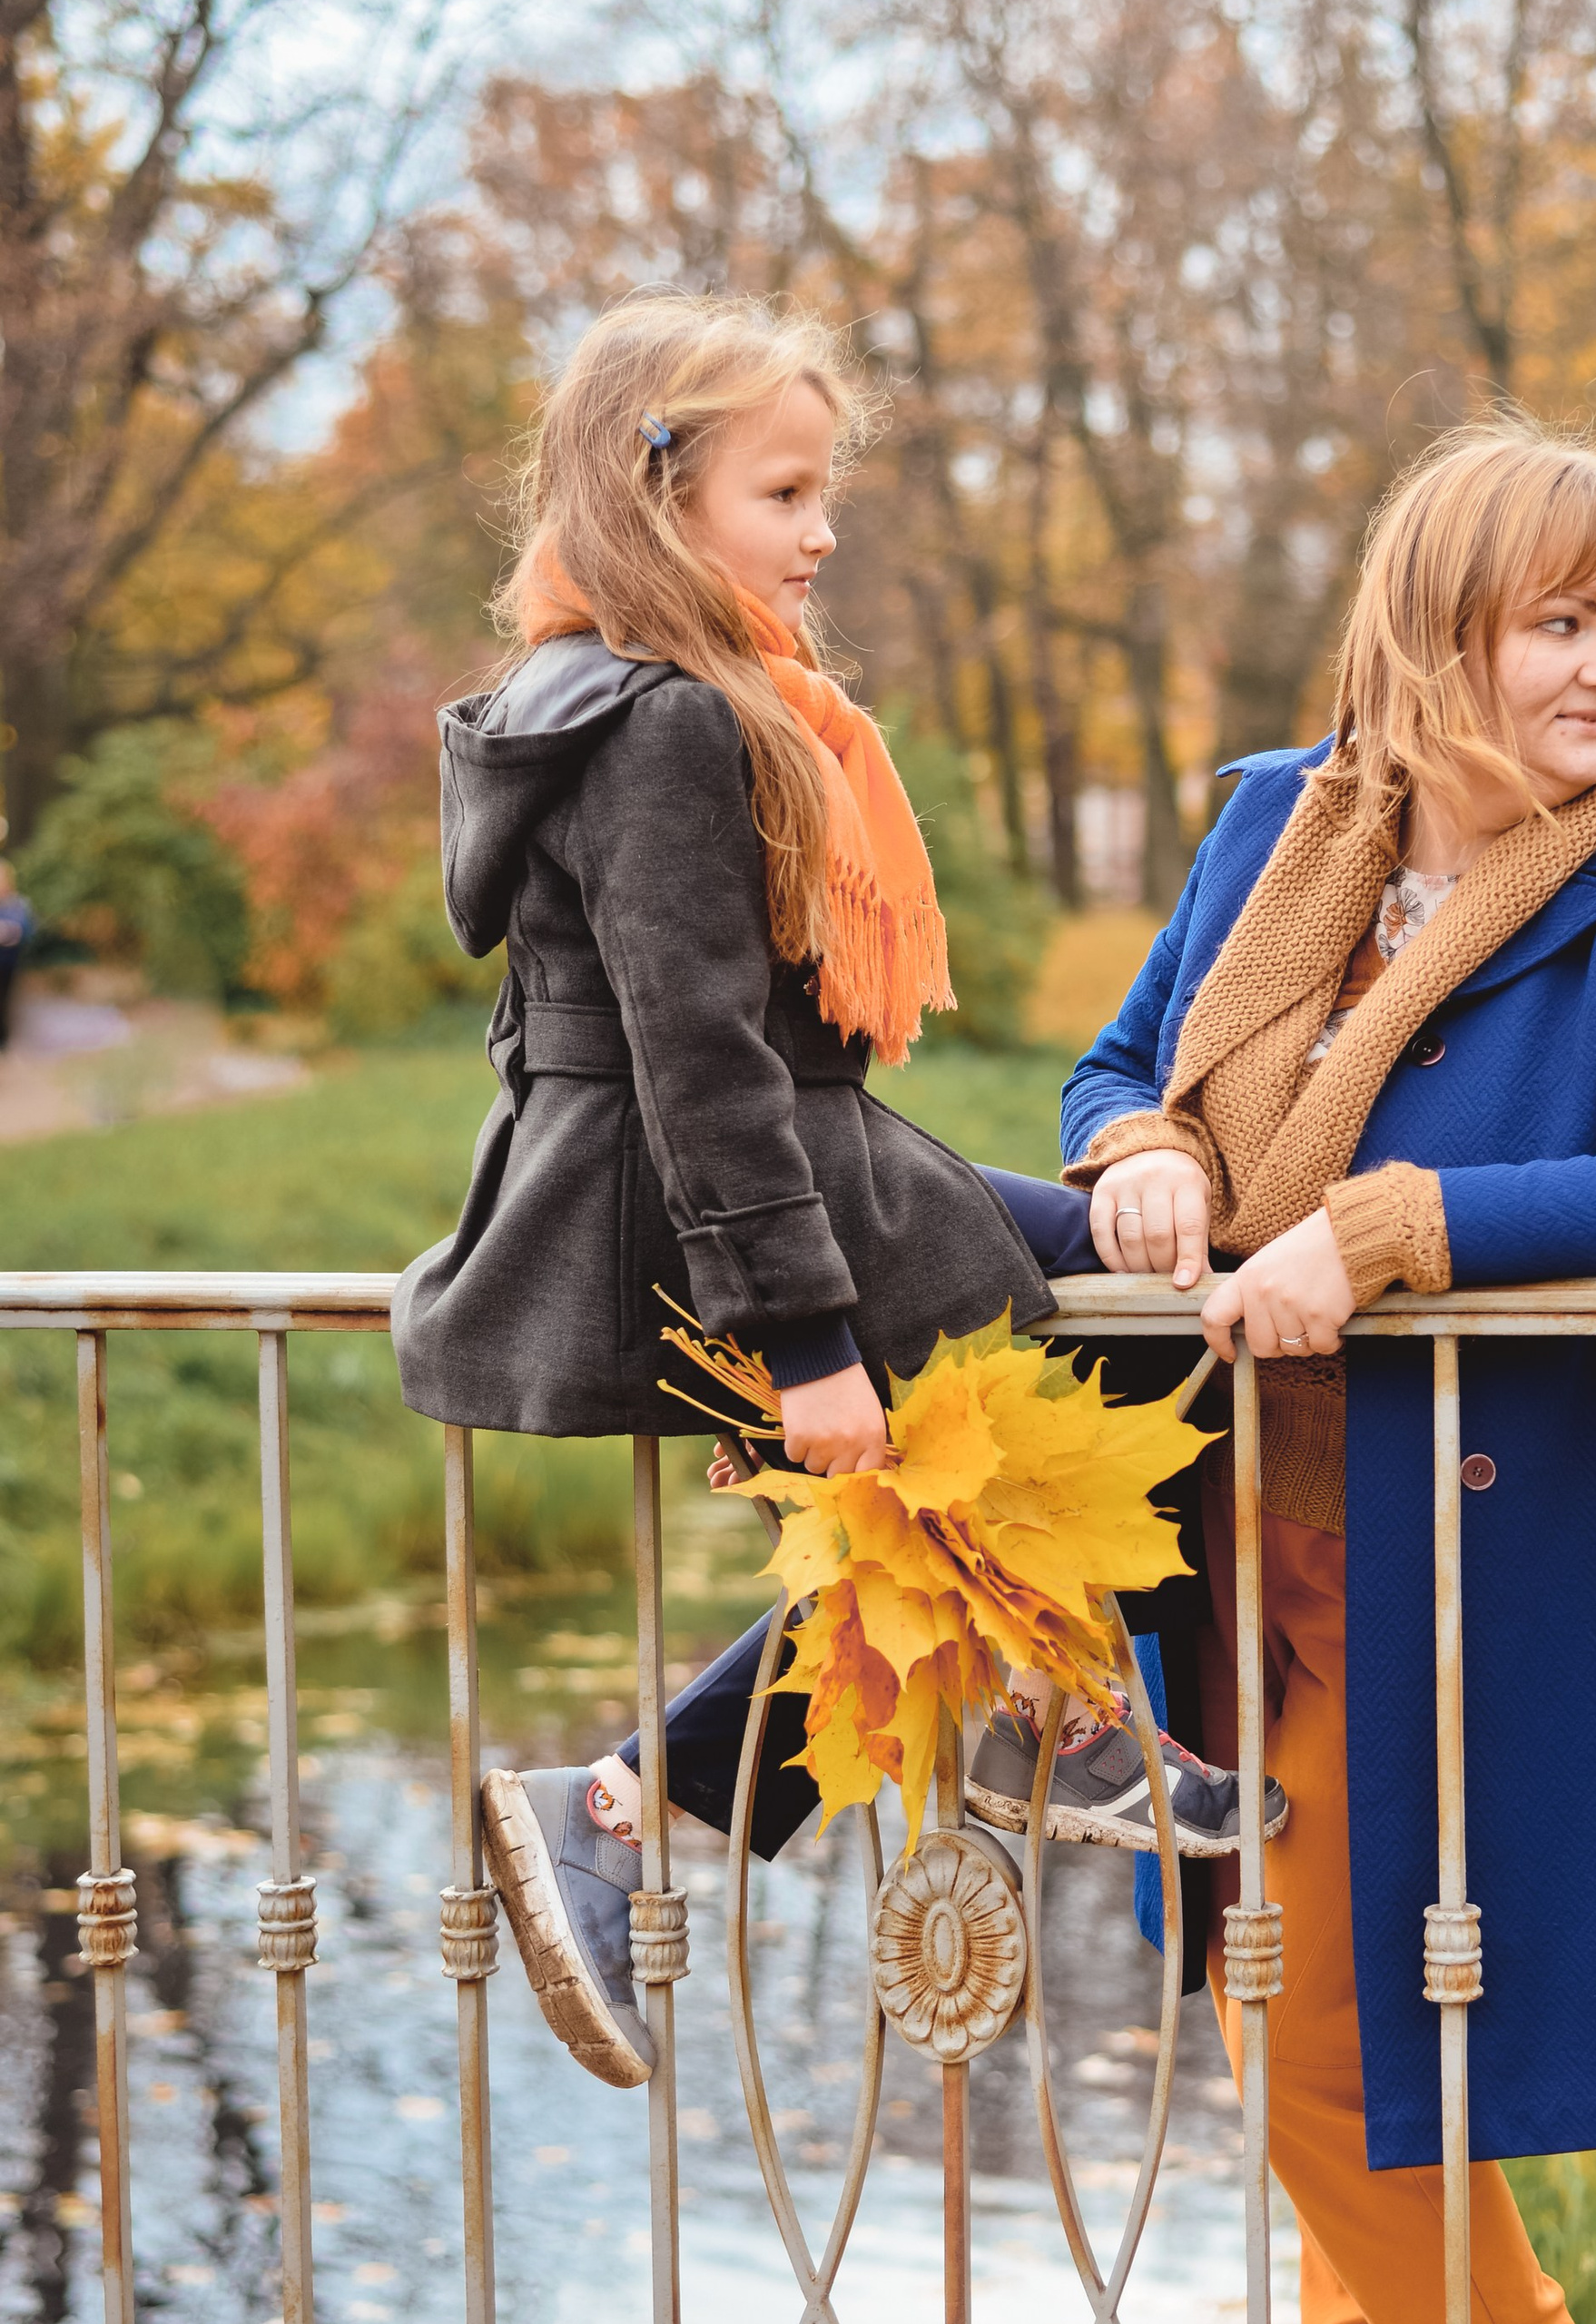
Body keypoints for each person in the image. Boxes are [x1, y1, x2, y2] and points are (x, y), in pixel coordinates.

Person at [391, 290, 1277, 2093]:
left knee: (1158, 1321)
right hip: (726, 1191)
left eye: (823, 494)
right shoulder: (659, 727)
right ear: (653, 501)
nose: (820, 532)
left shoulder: (659, 701)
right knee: (1025, 1410)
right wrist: (798, 1335)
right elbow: (693, 1049)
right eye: (782, 495)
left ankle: (1034, 1712)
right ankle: (666, 1782)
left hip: (800, 1157)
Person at [1062, 415, 1596, 2321]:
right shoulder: (1273, 822)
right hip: (1228, 1547)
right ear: (1436, 630)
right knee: (1332, 2052)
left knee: (1318, 2048)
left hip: (1460, 1565)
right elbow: (1117, 1063)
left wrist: (1380, 1233)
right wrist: (1140, 1154)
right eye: (1560, 622)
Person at [0, 859, 34, 1048]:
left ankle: (3, 1041)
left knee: (4, 1002)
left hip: (8, 964)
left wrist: (9, 932)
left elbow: (25, 930)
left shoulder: (16, 904)